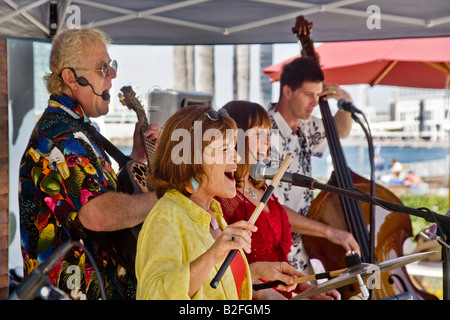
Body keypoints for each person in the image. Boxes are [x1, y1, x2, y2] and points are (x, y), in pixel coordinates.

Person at [18, 28, 159, 300]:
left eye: (111, 65)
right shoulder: (61, 135)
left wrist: (138, 156)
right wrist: (166, 196)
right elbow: (97, 214)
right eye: (102, 67)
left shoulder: (77, 128)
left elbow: (97, 194)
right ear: (71, 78)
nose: (113, 75)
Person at [135, 105, 303, 300]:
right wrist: (212, 255)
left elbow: (215, 289)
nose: (237, 157)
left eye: (233, 148)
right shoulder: (166, 217)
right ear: (192, 161)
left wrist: (258, 271)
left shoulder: (213, 214)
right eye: (225, 149)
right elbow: (155, 295)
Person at [216, 100, 341, 300]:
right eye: (258, 134)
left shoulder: (263, 187)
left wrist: (308, 290)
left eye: (268, 133)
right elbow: (224, 272)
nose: (267, 142)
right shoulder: (222, 196)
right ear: (235, 139)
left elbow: (280, 269)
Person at [268, 57, 360, 273]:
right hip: (276, 250)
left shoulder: (305, 126)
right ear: (287, 91)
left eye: (318, 95)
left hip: (303, 250)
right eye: (308, 94)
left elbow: (340, 132)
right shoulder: (264, 131)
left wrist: (345, 99)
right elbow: (269, 207)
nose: (315, 102)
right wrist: (329, 232)